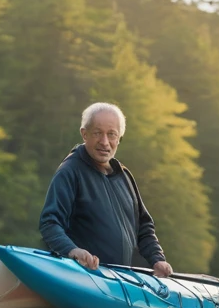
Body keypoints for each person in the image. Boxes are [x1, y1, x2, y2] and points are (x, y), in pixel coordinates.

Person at [39, 103, 174, 277]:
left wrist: (157, 259)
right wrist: (72, 251)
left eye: (111, 134)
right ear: (84, 134)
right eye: (97, 133)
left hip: (119, 282)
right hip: (82, 278)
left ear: (119, 138)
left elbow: (144, 228)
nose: (104, 142)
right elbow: (49, 223)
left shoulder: (124, 175)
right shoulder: (69, 171)